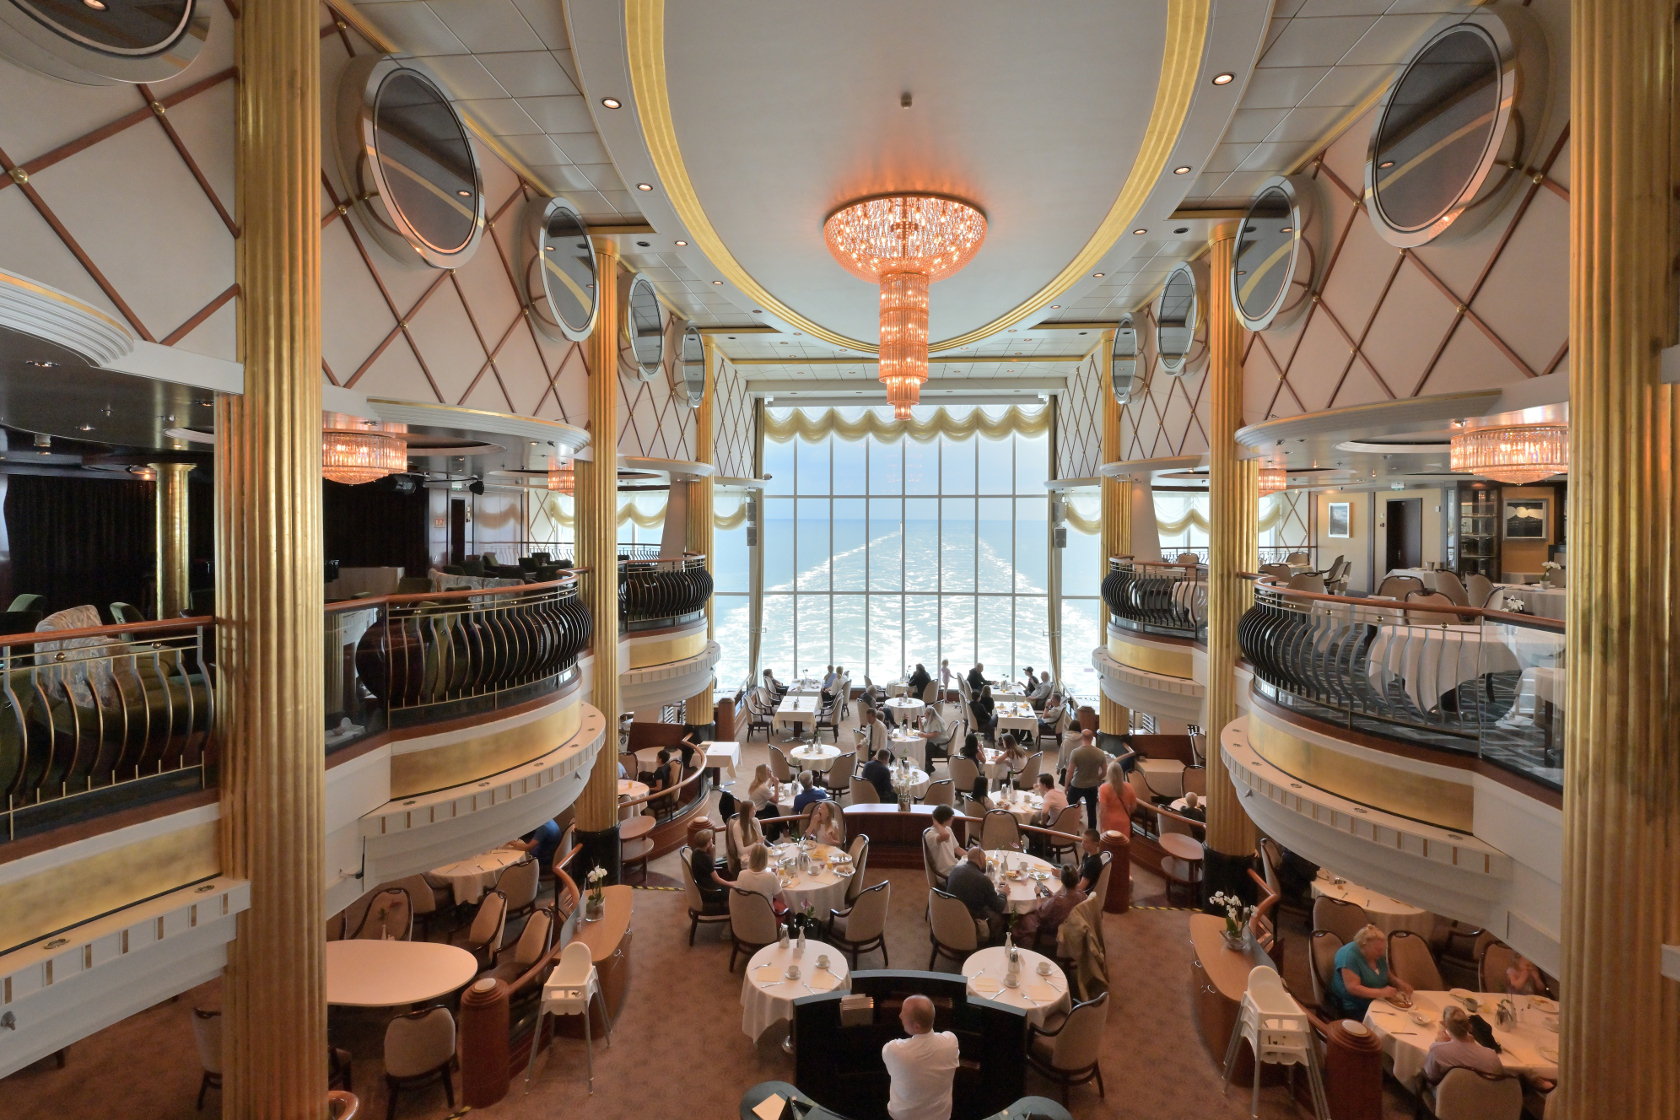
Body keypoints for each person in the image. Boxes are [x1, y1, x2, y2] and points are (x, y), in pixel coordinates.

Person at [881, 994, 959, 1120]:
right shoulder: (951, 1041)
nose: (900, 1015)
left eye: (903, 1013)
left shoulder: (894, 1049)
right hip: (940, 1116)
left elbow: (890, 1065)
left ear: (916, 1026)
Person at [1328, 924, 1414, 1019]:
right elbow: (1353, 988)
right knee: (1392, 1020)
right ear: (1364, 945)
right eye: (1377, 950)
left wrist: (1399, 983)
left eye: (1382, 949)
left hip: (1378, 1000)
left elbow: (1387, 974)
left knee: (1406, 1015)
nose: (1381, 953)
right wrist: (1381, 992)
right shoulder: (1348, 956)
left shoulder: (1376, 955)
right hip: (1354, 1006)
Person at [1424, 1005, 1505, 1083]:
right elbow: (1498, 1081)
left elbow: (1430, 1076)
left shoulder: (1437, 1050)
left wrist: (1439, 1043)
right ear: (1470, 1027)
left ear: (1445, 1026)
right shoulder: (1491, 1056)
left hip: (1448, 1092)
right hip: (1480, 1092)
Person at [945, 845, 1006, 943]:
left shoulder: (954, 870)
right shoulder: (983, 880)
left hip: (950, 915)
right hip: (970, 921)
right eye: (984, 859)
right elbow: (999, 906)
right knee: (998, 918)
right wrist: (1003, 893)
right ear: (981, 860)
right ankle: (991, 945)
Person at [1015, 865, 1085, 944]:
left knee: (1022, 917)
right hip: (1070, 931)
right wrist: (1051, 895)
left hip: (1051, 932)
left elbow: (1039, 913)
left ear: (1062, 880)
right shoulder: (1082, 895)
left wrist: (1038, 894)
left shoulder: (1057, 901)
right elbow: (1062, 901)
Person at [1066, 728, 1107, 828]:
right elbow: (1104, 772)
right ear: (1092, 738)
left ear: (1082, 738)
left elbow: (1070, 771)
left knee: (1069, 807)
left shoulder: (1076, 752)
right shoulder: (1100, 753)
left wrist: (1066, 785)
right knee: (1092, 811)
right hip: (1092, 786)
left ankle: (1069, 827)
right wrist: (1097, 778)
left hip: (1077, 785)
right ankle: (1092, 831)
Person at [735, 843, 787, 917]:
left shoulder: (741, 874)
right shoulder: (771, 877)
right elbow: (782, 900)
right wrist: (777, 883)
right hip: (766, 918)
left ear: (751, 858)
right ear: (765, 859)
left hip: (747, 916)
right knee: (783, 907)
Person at [689, 828, 734, 913]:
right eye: (710, 839)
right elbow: (717, 879)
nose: (712, 840)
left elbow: (711, 865)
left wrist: (712, 852)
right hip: (710, 890)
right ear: (708, 843)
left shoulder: (696, 852)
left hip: (703, 884)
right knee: (734, 890)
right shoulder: (705, 858)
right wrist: (731, 884)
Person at [1097, 759, 1136, 835]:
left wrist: (1102, 825)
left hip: (1109, 822)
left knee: (1110, 842)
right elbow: (1133, 806)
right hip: (1125, 821)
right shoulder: (1129, 787)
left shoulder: (1103, 788)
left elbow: (1102, 810)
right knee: (1123, 841)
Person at [924, 804, 961, 881]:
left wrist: (971, 856)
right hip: (945, 874)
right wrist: (937, 824)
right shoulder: (930, 834)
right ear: (946, 819)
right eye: (951, 817)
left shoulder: (948, 829)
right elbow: (945, 836)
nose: (953, 819)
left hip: (955, 868)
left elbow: (957, 849)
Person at [726, 805, 765, 874]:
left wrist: (755, 847)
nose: (756, 811)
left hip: (756, 852)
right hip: (745, 858)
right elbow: (741, 851)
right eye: (753, 809)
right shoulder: (737, 826)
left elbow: (761, 841)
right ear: (748, 812)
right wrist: (756, 843)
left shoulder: (755, 821)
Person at [958, 734, 989, 803]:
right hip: (974, 775)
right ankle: (981, 795)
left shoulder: (962, 751)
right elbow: (984, 760)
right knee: (983, 773)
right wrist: (981, 749)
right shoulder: (977, 752)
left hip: (963, 773)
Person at [1074, 829, 1106, 894]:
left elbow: (1081, 887)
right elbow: (1077, 872)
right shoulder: (1086, 854)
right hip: (1077, 883)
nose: (1082, 844)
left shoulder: (1093, 863)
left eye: (1086, 842)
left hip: (1083, 894)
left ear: (1095, 844)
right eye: (1082, 840)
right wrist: (1062, 875)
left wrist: (1066, 884)